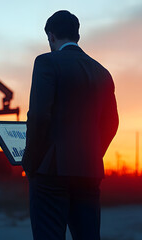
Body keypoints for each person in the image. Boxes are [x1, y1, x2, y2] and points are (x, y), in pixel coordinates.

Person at [22, 10, 119, 240]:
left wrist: (31, 163)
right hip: (89, 172)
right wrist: (91, 155)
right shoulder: (102, 73)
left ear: (51, 36)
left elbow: (39, 117)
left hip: (50, 173)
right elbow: (112, 123)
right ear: (77, 36)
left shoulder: (46, 62)